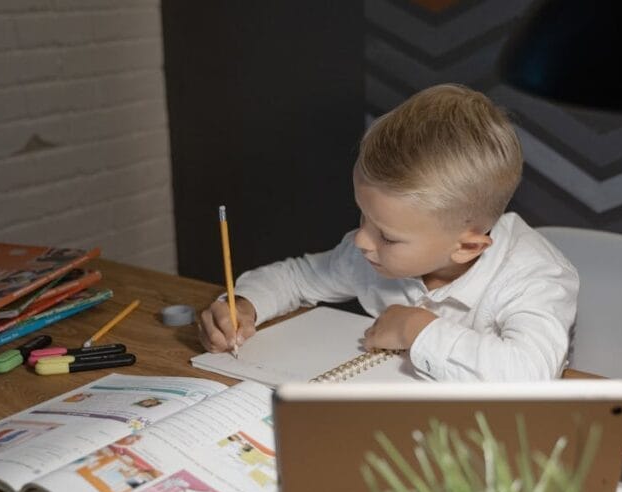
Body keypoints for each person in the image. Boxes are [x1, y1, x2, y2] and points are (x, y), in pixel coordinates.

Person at [198, 84, 578, 381]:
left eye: (388, 236)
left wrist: (418, 329)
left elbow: (531, 375)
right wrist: (245, 304)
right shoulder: (371, 252)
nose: (361, 240)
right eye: (363, 216)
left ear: (466, 247)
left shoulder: (536, 277)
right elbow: (297, 277)